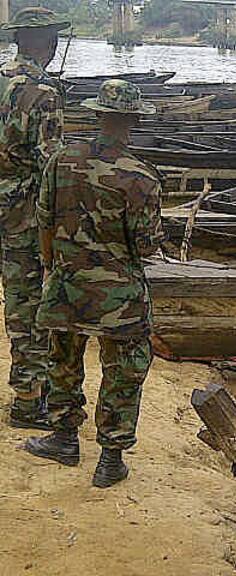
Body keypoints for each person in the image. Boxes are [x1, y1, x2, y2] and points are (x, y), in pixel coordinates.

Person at [24, 80, 164, 489]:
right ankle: (110, 460)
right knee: (123, 371)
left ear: (98, 114)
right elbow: (147, 245)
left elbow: (44, 221)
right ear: (135, 121)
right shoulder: (141, 177)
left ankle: (63, 438)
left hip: (66, 285)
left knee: (63, 362)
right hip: (119, 295)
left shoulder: (61, 160)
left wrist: (52, 268)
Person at [0, 7, 69, 430]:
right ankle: (28, 400)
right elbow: (51, 164)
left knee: (16, 299)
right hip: (24, 211)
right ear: (48, 43)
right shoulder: (44, 93)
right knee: (27, 304)